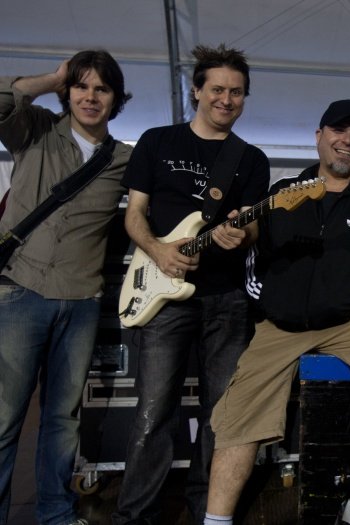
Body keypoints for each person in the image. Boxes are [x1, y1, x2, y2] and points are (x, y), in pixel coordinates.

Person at [203, 99, 350, 525]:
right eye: (338, 131)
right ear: (319, 137)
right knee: (239, 414)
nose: (347, 141)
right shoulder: (280, 192)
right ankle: (214, 521)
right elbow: (254, 255)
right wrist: (271, 299)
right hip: (282, 324)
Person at [112, 45, 270, 525]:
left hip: (227, 299)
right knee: (152, 413)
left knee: (221, 415)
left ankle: (209, 511)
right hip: (162, 292)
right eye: (217, 89)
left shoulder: (251, 158)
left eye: (236, 92)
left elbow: (252, 225)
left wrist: (240, 233)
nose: (226, 99)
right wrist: (159, 250)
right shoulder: (157, 141)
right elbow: (135, 215)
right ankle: (136, 515)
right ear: (197, 91)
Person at [0, 51, 132, 525]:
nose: (90, 97)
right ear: (67, 92)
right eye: (81, 86)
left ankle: (55, 513)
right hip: (20, 290)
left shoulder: (125, 159)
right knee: (3, 419)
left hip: (81, 302)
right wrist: (53, 77)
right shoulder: (34, 129)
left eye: (102, 88)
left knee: (63, 420)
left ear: (115, 98)